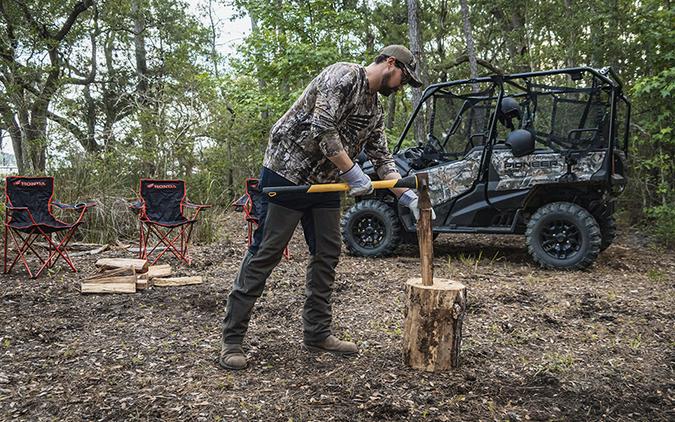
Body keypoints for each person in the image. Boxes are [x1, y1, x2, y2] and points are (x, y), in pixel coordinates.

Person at [220, 45, 424, 370]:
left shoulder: (374, 111)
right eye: (403, 77)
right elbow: (322, 127)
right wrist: (353, 172)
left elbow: (383, 159)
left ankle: (317, 333)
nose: (401, 86)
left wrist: (407, 195)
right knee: (267, 252)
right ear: (390, 63)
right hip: (287, 173)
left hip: (326, 181)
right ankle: (232, 339)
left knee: (328, 252)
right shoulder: (343, 74)